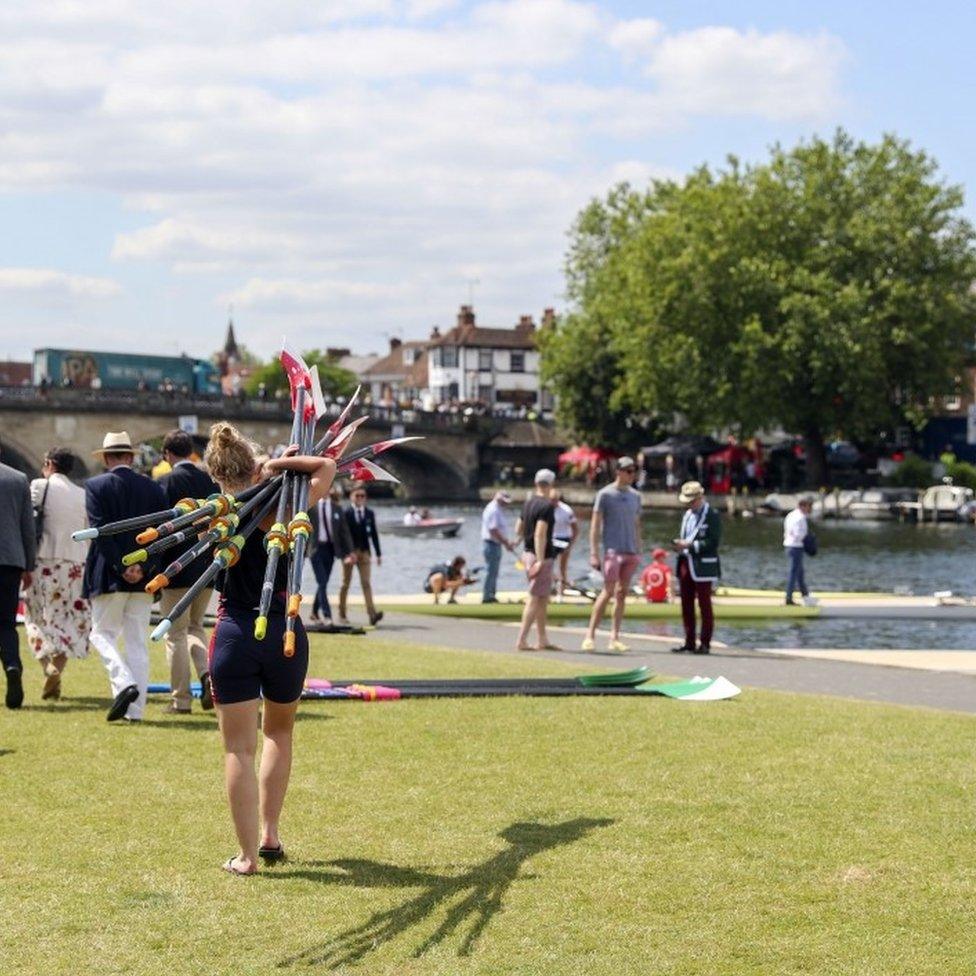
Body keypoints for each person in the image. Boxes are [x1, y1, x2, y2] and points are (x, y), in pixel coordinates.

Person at [203, 422, 336, 875]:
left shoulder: (215, 511)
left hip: (236, 631)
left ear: (218, 476)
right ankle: (270, 835)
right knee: (278, 733)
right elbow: (327, 465)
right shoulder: (287, 504)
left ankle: (247, 857)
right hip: (286, 631)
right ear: (254, 464)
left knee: (237, 749)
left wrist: (260, 472)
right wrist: (277, 465)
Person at [82, 432, 168, 721]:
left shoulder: (95, 486)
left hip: (108, 572)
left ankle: (123, 683)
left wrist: (121, 565)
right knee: (137, 642)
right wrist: (142, 566)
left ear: (106, 458)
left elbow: (100, 531)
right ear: (131, 457)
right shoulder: (153, 488)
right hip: (144, 576)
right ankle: (136, 710)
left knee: (100, 633)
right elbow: (162, 531)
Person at [156, 429, 220, 714]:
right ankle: (207, 676)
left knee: (175, 633)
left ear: (168, 454)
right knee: (196, 627)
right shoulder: (210, 481)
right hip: (207, 565)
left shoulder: (165, 482)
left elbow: (160, 530)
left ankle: (181, 700)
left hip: (176, 566)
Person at [23, 448, 90, 702]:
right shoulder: (82, 494)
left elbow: (29, 523)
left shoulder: (40, 486)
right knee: (69, 620)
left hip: (44, 560)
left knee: (36, 616)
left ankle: (47, 668)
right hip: (75, 563)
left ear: (49, 463)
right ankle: (57, 673)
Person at [581, 457, 642, 652]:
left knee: (622, 594)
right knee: (607, 592)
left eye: (634, 471)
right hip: (612, 551)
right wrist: (593, 552)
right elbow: (595, 525)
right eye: (629, 471)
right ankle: (590, 635)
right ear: (619, 472)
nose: (633, 475)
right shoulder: (605, 494)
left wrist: (639, 548)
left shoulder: (635, 496)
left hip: (630, 550)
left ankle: (614, 637)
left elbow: (636, 524)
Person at [0, 443, 36, 709]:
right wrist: (29, 565)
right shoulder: (18, 478)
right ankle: (12, 664)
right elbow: (28, 527)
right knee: (6, 624)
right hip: (11, 561)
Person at [671, 480, 722, 654]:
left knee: (704, 604)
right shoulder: (687, 515)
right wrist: (680, 545)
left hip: (703, 565)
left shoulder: (712, 515)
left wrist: (690, 546)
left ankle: (705, 643)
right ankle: (689, 641)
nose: (689, 505)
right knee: (686, 604)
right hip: (686, 563)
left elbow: (713, 542)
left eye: (691, 501)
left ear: (700, 498)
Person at [513, 469, 558, 651]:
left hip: (527, 553)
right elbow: (541, 533)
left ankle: (542, 639)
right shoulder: (546, 506)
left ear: (536, 483)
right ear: (551, 484)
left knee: (542, 597)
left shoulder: (528, 503)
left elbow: (518, 528)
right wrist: (540, 561)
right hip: (541, 556)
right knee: (535, 598)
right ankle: (522, 640)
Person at [308, 485, 355, 627]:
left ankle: (314, 612)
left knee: (323, 583)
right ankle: (327, 616)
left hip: (331, 549)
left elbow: (344, 531)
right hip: (315, 549)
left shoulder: (337, 508)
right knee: (322, 582)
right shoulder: (311, 507)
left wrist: (350, 551)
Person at [338, 484, 383, 627]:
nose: (360, 498)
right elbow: (342, 535)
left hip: (365, 552)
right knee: (346, 583)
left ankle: (372, 614)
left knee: (366, 583)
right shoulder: (346, 513)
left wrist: (378, 553)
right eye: (357, 496)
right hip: (350, 553)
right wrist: (346, 553)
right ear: (352, 497)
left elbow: (374, 534)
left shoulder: (369, 513)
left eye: (362, 496)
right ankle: (342, 613)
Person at [480, 490, 514, 603]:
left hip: (495, 544)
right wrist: (505, 542)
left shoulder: (497, 509)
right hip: (491, 544)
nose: (506, 504)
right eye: (504, 501)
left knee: (494, 571)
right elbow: (493, 530)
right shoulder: (494, 510)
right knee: (491, 571)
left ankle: (491, 594)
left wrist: (504, 542)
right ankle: (487, 596)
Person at [784, 496, 816, 606]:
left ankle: (805, 596)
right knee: (794, 574)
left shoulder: (790, 514)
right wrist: (809, 540)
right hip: (796, 547)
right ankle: (788, 599)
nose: (810, 508)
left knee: (800, 574)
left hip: (789, 546)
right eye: (809, 506)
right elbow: (798, 534)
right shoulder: (800, 517)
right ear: (803, 506)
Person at [550, 489, 578, 600]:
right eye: (551, 500)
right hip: (551, 539)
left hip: (564, 539)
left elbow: (575, 530)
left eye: (555, 500)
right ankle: (552, 587)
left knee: (562, 567)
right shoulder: (546, 509)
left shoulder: (566, 510)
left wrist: (570, 545)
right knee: (547, 566)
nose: (553, 503)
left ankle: (560, 594)